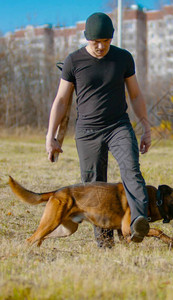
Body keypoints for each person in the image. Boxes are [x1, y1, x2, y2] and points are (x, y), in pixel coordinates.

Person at [45, 12, 152, 248]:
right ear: (86, 38)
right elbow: (61, 100)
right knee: (95, 186)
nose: (101, 46)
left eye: (105, 41)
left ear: (111, 39)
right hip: (87, 131)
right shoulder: (74, 61)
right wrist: (50, 136)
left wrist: (145, 126)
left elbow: (135, 94)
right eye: (96, 42)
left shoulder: (123, 58)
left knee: (131, 169)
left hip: (118, 126)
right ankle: (105, 242)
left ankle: (138, 223)